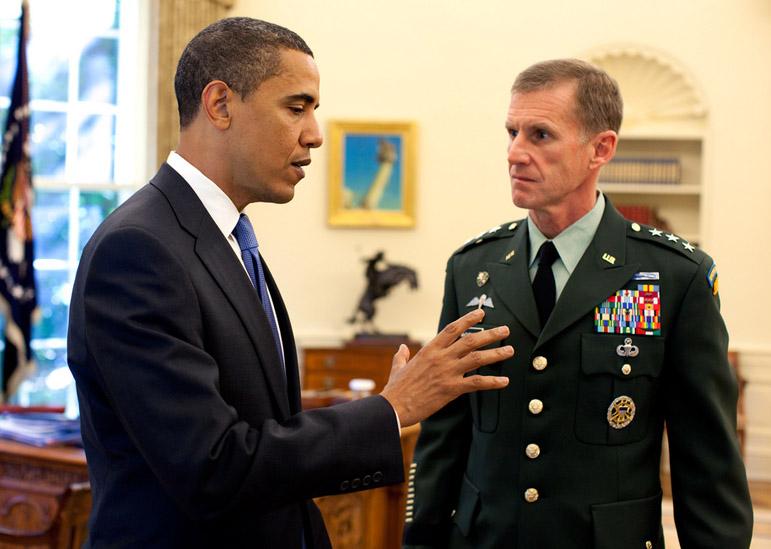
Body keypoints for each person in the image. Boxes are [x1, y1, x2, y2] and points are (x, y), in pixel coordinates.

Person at [67, 17, 514, 548]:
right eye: (296, 107)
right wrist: (391, 410)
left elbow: (263, 428)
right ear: (220, 105)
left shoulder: (225, 237)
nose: (315, 134)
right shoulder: (139, 249)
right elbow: (214, 467)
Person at [403, 59, 753, 548]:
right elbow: (444, 436)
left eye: (540, 135)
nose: (515, 153)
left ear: (600, 149)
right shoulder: (472, 268)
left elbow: (707, 461)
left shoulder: (674, 275)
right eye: (512, 132)